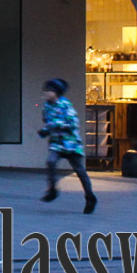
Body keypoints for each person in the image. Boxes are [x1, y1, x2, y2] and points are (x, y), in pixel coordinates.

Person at [38, 77, 95, 213]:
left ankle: (90, 197)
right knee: (51, 162)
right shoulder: (47, 107)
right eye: (45, 90)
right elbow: (48, 123)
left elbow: (72, 124)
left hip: (71, 143)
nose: (46, 93)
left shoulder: (65, 105)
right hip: (57, 143)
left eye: (49, 90)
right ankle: (53, 189)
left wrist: (56, 125)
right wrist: (45, 131)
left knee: (80, 171)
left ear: (56, 92)